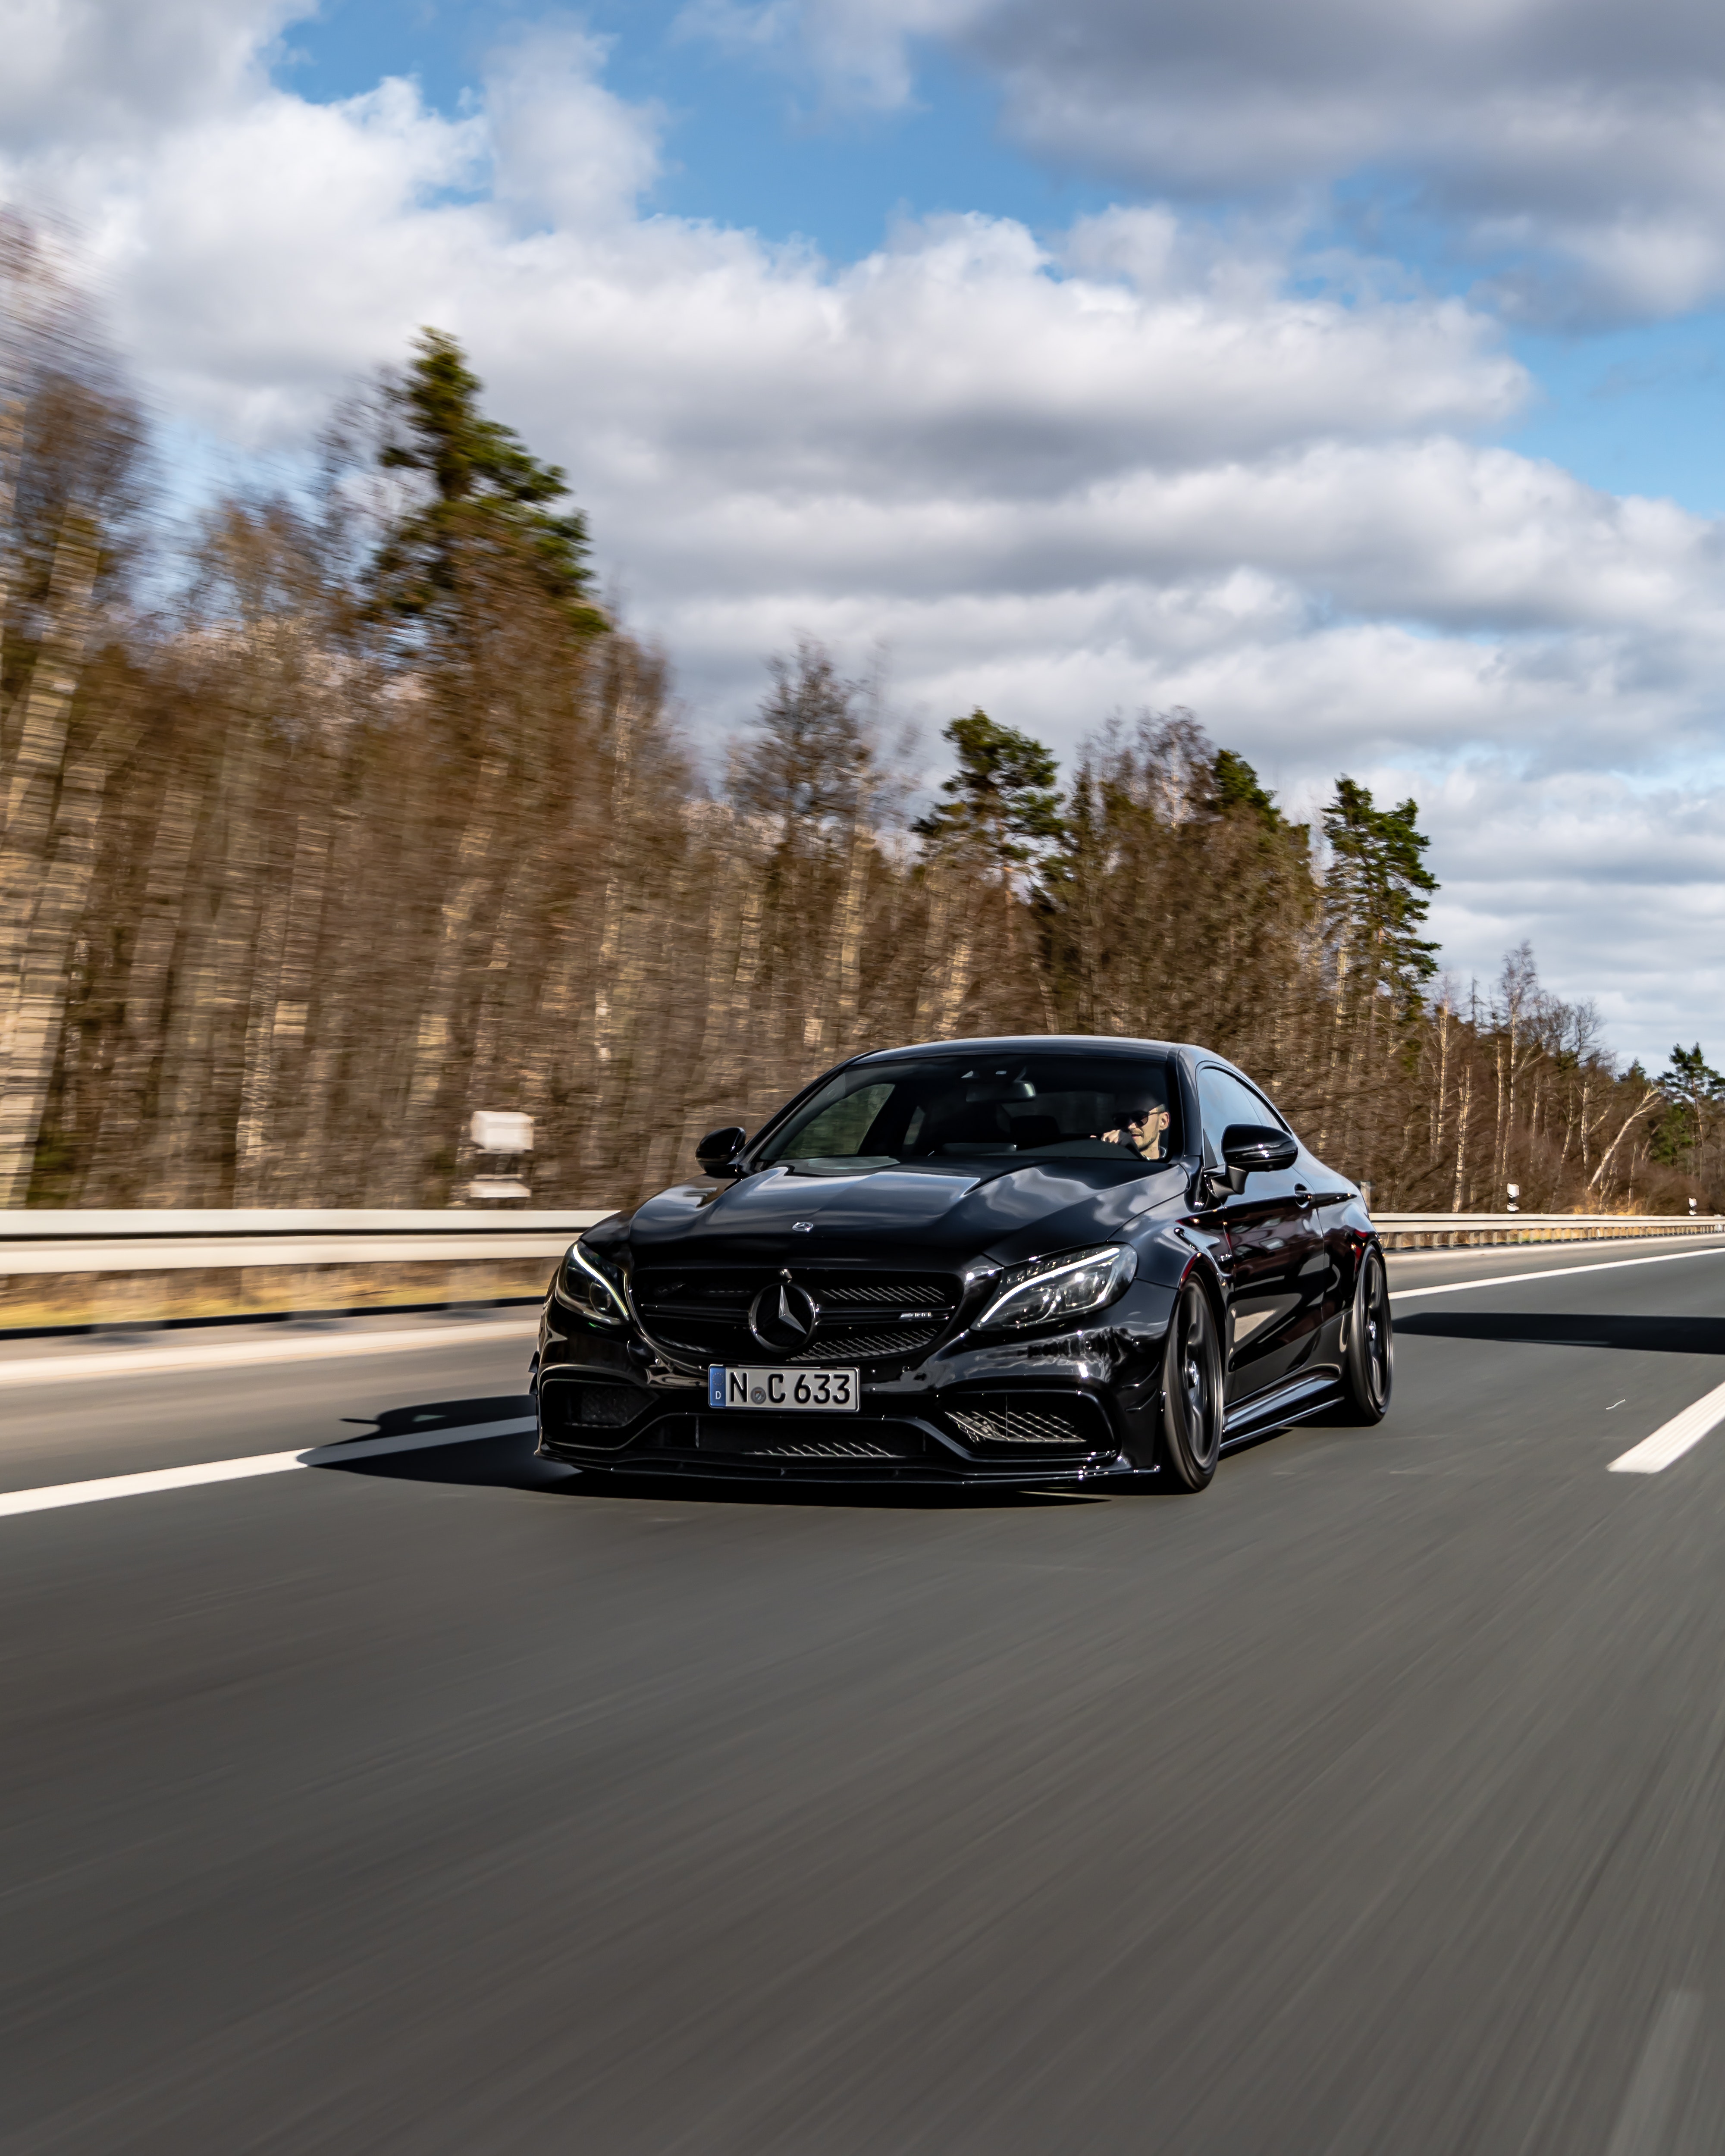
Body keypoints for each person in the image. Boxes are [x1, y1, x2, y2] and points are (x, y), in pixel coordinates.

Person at [1101, 1088, 1171, 1160]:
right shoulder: (1109, 1157)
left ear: (1164, 1121)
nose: (1130, 1126)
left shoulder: (1175, 1163)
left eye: (1139, 1117)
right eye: (1121, 1119)